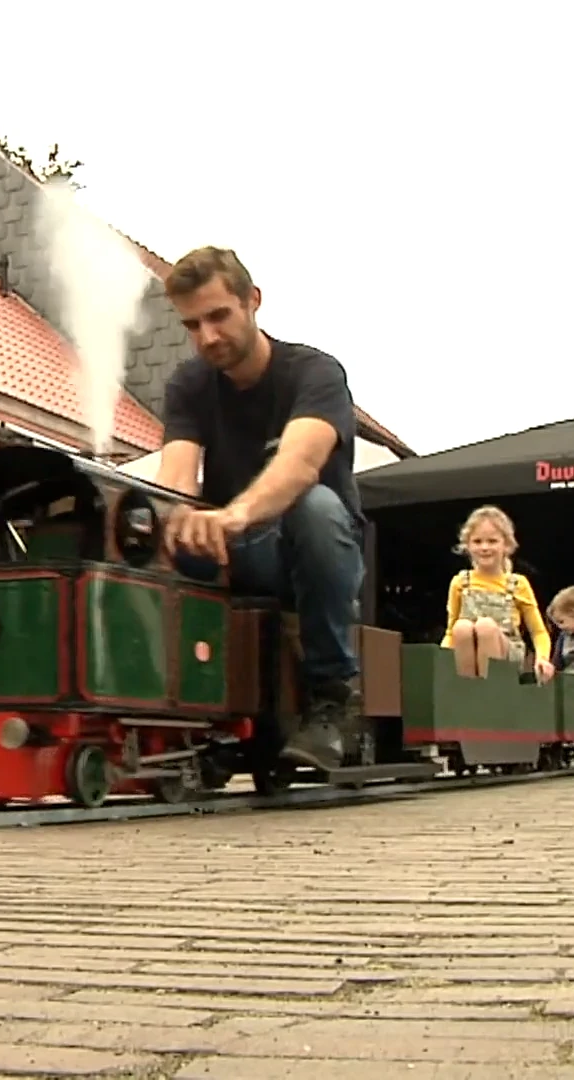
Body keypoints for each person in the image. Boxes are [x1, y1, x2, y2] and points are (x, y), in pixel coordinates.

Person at [155, 246, 365, 772]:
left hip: (310, 547)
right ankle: (175, 705)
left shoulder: (315, 373)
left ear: (253, 301)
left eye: (219, 316)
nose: (208, 337)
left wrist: (231, 516)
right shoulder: (188, 385)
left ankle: (333, 701)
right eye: (192, 325)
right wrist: (172, 520)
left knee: (314, 508)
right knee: (172, 538)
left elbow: (299, 465)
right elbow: (176, 479)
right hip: (240, 548)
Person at [439, 505, 554, 682]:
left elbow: (538, 632)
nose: (485, 547)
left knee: (485, 627)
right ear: (467, 546)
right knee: (461, 628)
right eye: (477, 541)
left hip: (507, 652)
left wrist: (542, 658)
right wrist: (442, 659)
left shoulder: (518, 584)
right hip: (468, 650)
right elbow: (450, 630)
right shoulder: (460, 583)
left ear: (506, 545)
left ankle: (491, 691)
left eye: (492, 541)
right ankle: (467, 688)